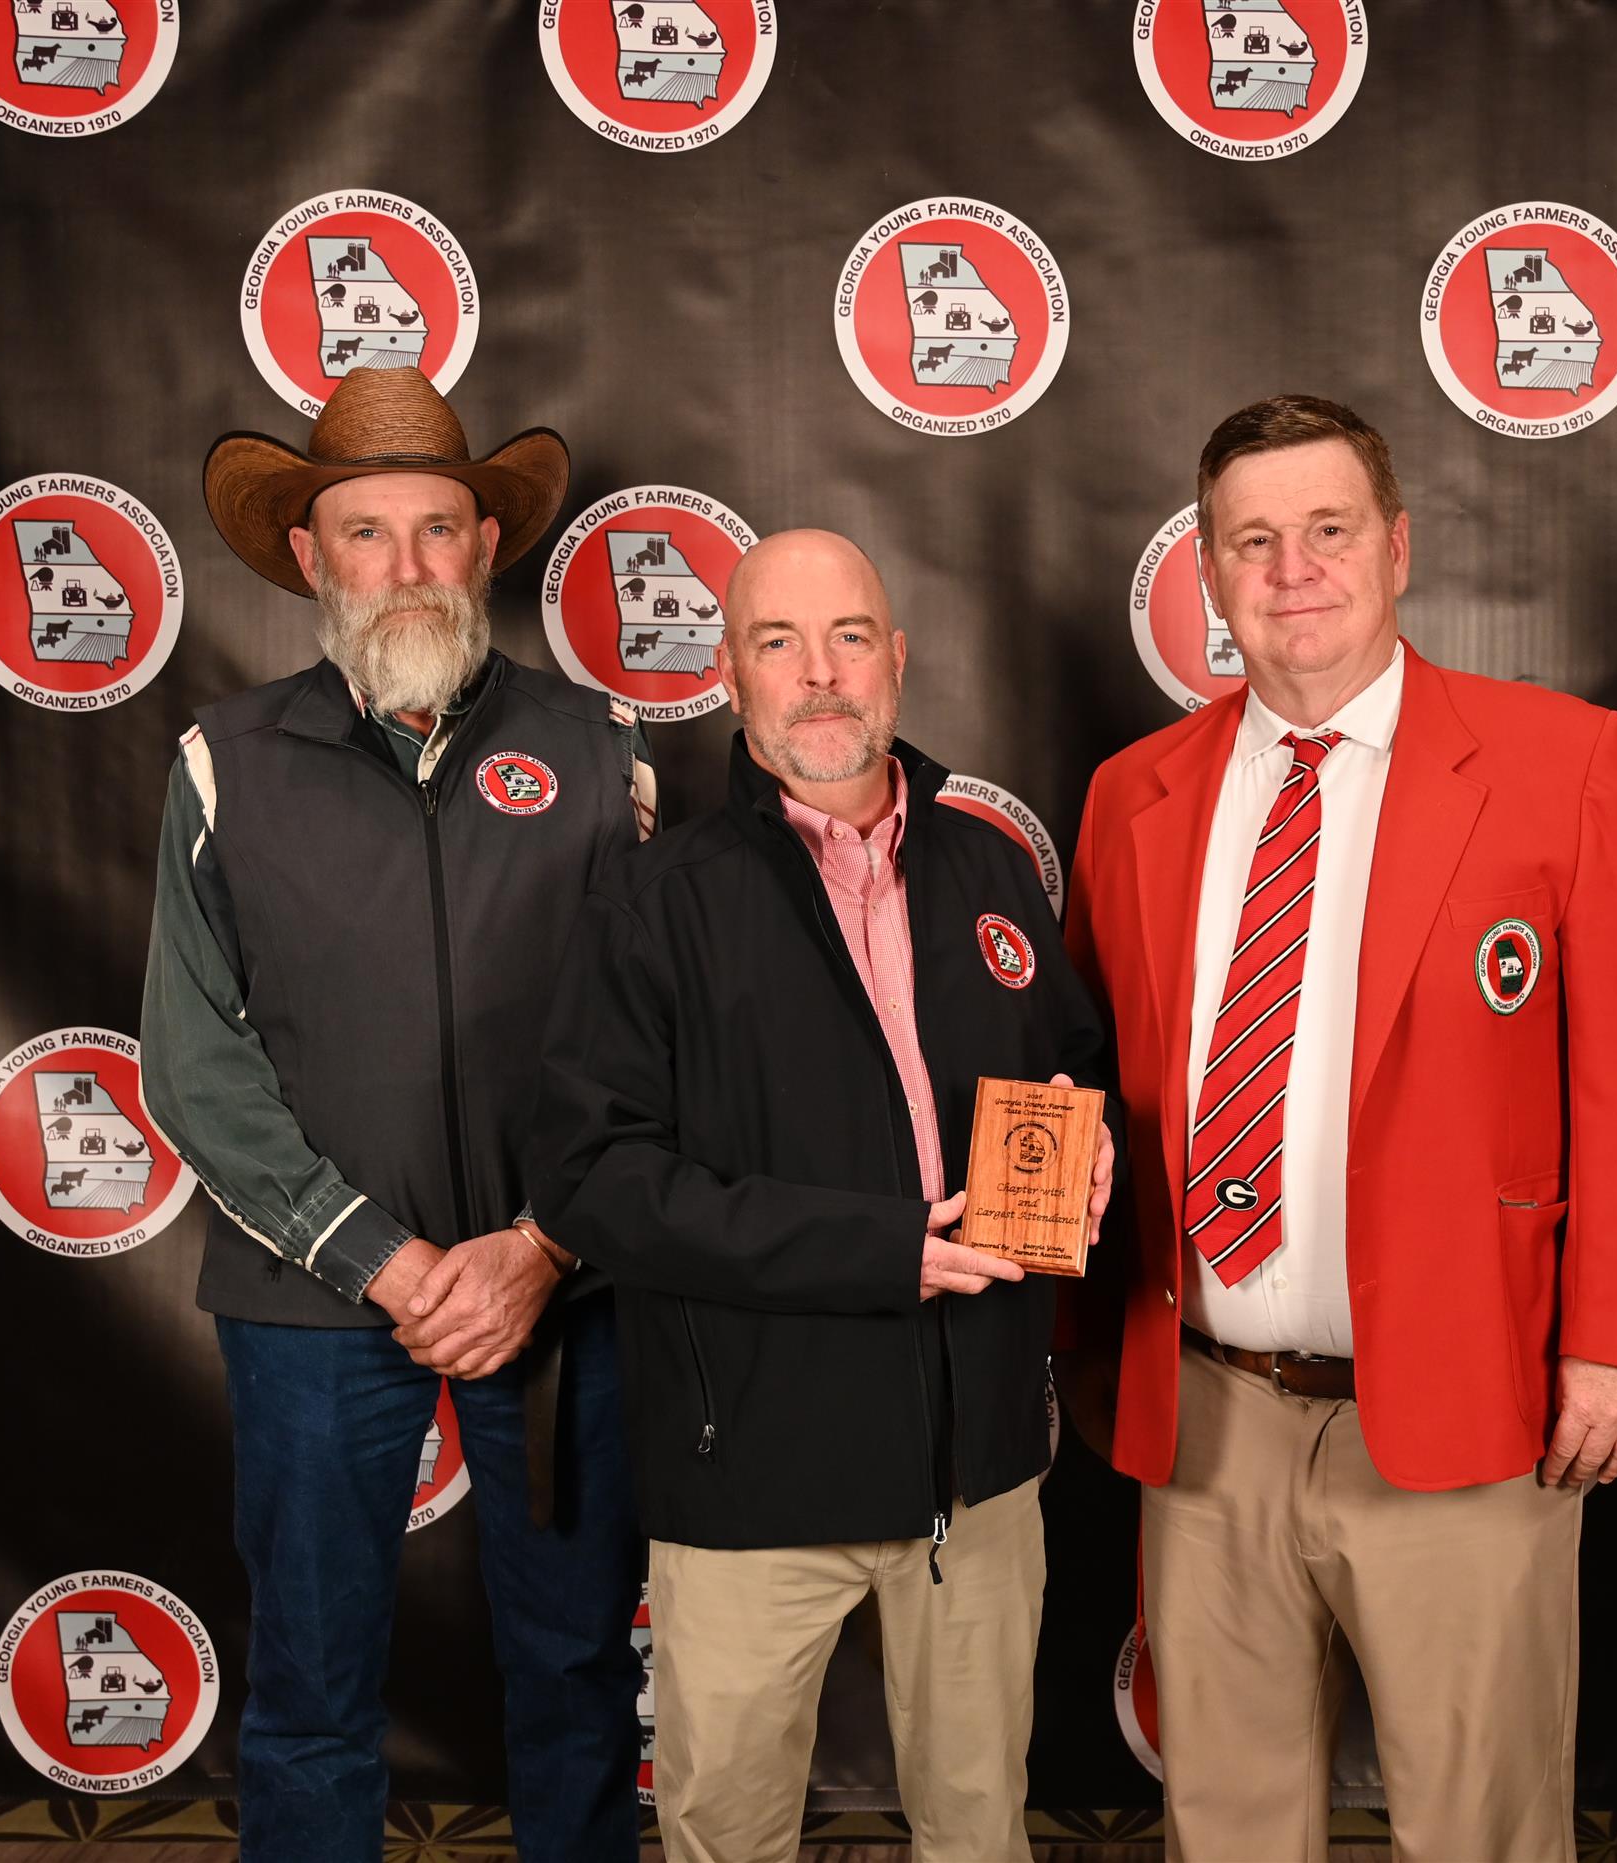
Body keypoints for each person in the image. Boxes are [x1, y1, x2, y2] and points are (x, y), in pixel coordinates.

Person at [1063, 395, 1617, 1861]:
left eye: (1329, 530)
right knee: (1227, 1825)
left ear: (1399, 548)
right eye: (1253, 541)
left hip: (1468, 1406)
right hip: (1210, 1416)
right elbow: (1087, 1082)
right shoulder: (1131, 795)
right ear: (1208, 573)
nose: (1293, 570)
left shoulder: (1561, 760)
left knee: (1480, 1827)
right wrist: (1078, 1337)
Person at [525, 529, 1117, 1863]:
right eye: (779, 644)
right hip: (754, 1479)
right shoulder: (657, 900)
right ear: (733, 677)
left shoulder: (991, 871)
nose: (820, 673)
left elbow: (1079, 1073)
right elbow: (593, 1177)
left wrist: (1099, 1153)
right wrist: (878, 1248)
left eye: (849, 637)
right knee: (730, 1836)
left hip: (977, 1480)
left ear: (896, 661)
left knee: (980, 1831)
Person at [142, 365, 649, 1861]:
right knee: (310, 1688)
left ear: (485, 546)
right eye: (367, 533)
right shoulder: (225, 762)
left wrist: (539, 1247)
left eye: (438, 529)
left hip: (554, 1290)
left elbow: (652, 1044)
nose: (407, 564)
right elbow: (194, 1062)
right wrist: (383, 1258)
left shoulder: (599, 748)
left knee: (576, 1670)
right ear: (311, 556)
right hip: (311, 1303)